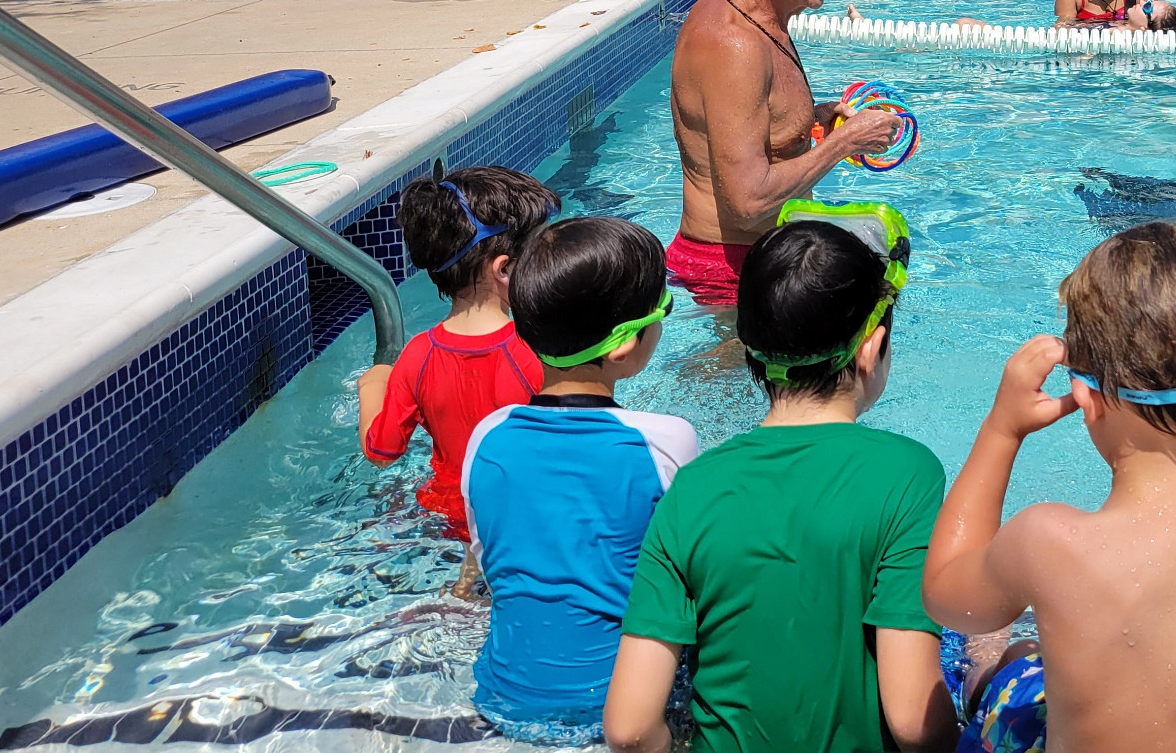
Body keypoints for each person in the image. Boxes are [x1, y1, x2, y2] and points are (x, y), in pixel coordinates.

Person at [923, 222, 1176, 753]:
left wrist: (1002, 430)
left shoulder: (1048, 542)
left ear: (1084, 399)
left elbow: (946, 598)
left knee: (1012, 659)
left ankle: (988, 669)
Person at [605, 212, 957, 753]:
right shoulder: (908, 474)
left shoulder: (694, 486)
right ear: (872, 347)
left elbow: (628, 730)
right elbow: (914, 724)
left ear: (749, 347)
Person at [461, 216, 697, 741]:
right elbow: (694, 577)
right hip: (620, 711)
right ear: (623, 346)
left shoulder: (487, 438)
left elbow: (487, 564)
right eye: (664, 311)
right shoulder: (667, 440)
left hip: (503, 697)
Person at [667, 0, 904, 307]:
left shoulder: (762, 19)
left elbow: (751, 122)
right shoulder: (733, 44)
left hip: (759, 260)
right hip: (731, 277)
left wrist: (811, 119)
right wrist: (842, 143)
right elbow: (747, 201)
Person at [356, 167, 558, 557]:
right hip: (528, 519)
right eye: (539, 255)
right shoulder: (537, 351)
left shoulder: (418, 355)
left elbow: (381, 452)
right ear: (503, 269)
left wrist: (373, 384)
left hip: (451, 519)